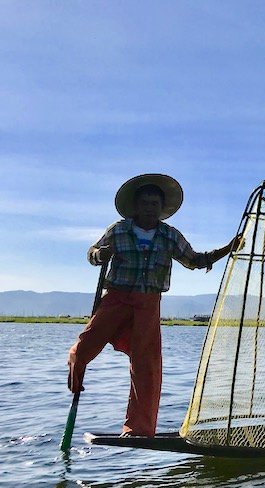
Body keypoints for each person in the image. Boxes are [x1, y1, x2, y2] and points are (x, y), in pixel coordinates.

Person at [67, 173, 241, 437]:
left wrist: (228, 248)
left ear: (162, 209)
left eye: (155, 204)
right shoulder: (119, 230)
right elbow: (93, 253)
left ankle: (138, 428)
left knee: (146, 368)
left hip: (148, 304)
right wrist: (100, 255)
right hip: (116, 299)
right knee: (83, 349)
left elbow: (194, 260)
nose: (150, 208)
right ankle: (76, 383)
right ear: (136, 206)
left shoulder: (169, 236)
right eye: (146, 203)